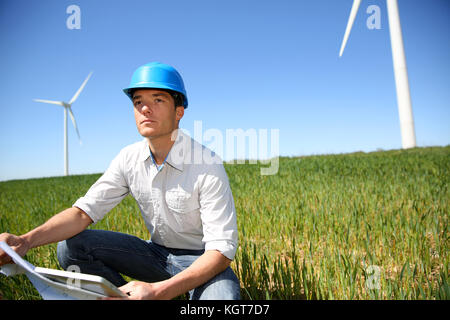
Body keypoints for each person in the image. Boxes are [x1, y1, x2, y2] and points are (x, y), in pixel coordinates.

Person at [0, 62, 240, 300]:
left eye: (158, 100)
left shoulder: (207, 165)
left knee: (223, 299)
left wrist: (159, 291)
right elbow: (83, 213)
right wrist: (25, 241)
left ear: (179, 112)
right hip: (154, 254)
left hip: (202, 259)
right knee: (72, 247)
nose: (145, 109)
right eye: (138, 102)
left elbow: (221, 252)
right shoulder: (128, 158)